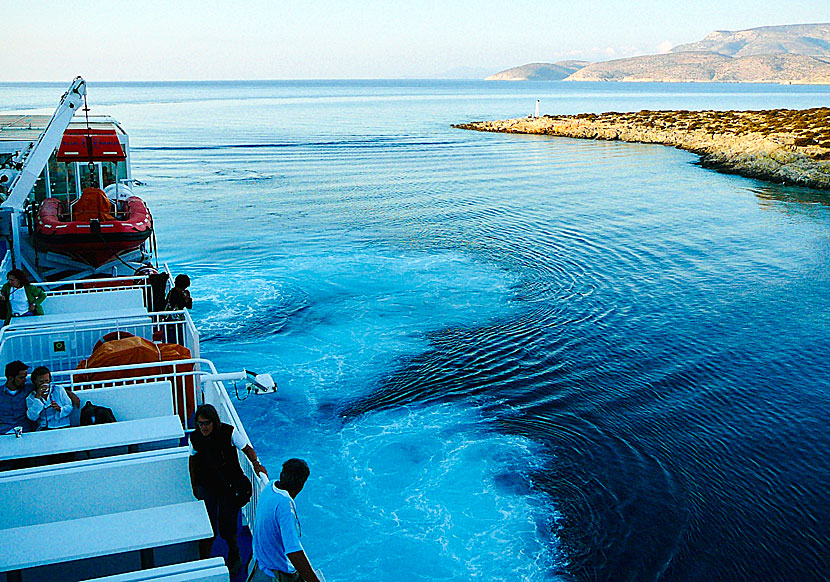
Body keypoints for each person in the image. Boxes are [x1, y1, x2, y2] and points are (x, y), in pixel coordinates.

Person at [189, 404, 268, 575]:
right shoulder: (195, 438)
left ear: (214, 422)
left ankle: (234, 554)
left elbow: (247, 449)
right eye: (200, 423)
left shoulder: (229, 432)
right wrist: (194, 485)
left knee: (228, 525)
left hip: (228, 487)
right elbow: (192, 460)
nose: (203, 427)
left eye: (206, 423)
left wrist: (256, 465)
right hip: (207, 486)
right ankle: (203, 562)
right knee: (208, 526)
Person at [249, 458, 321, 582]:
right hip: (275, 573)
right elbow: (293, 552)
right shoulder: (285, 505)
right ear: (300, 486)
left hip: (261, 562)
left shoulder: (270, 487)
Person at [0, 360, 33, 434]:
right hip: (3, 432)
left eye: (25, 377)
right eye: (21, 378)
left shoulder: (29, 389)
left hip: (25, 431)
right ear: (11, 378)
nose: (25, 380)